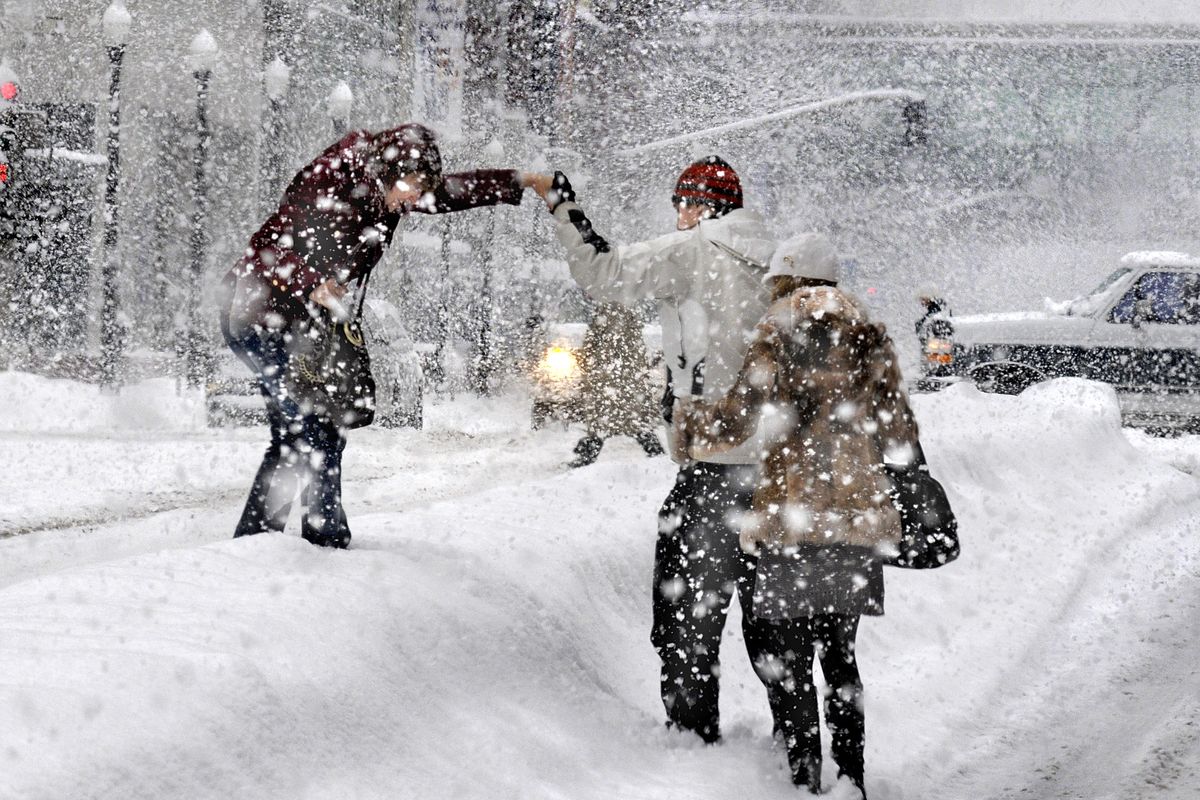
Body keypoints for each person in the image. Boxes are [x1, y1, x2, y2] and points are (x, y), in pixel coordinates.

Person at [529, 157, 778, 744]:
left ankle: (693, 744)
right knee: (778, 625)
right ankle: (798, 748)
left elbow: (603, 272)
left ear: (704, 205)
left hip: (715, 473)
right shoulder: (777, 260)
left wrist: (563, 205)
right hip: (779, 473)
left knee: (688, 617)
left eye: (685, 203)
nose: (679, 214)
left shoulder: (693, 251)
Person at [677, 233, 921, 797]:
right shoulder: (869, 331)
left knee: (788, 658)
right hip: (855, 521)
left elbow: (738, 418)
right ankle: (851, 778)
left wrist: (687, 423)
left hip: (794, 518)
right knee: (840, 656)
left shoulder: (778, 326)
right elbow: (897, 427)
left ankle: (806, 779)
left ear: (786, 277)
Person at [221, 123, 539, 548]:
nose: (413, 199)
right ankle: (291, 539)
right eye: (409, 185)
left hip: (301, 320)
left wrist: (520, 181)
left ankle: (291, 538)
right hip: (258, 313)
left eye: (419, 187)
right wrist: (312, 279)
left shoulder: (387, 186)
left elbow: (448, 193)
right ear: (388, 173)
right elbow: (272, 247)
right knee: (305, 431)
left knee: (318, 429)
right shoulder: (334, 179)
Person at [569, 302, 664, 468]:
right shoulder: (618, 309)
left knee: (611, 420)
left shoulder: (612, 310)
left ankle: (588, 455)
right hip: (617, 379)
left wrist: (588, 360)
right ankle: (656, 454)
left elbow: (601, 345)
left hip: (613, 379)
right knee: (627, 421)